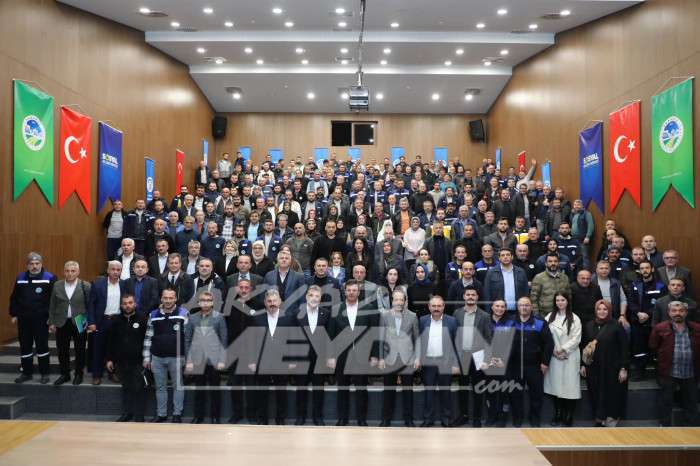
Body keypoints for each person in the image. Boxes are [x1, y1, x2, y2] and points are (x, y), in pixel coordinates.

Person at [328, 280, 380, 426]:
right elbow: (330, 335)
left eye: (354, 290)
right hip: (341, 357)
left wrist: (375, 355)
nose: (351, 293)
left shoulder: (369, 309)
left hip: (362, 356)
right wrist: (331, 356)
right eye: (349, 290)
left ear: (358, 292)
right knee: (342, 389)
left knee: (361, 389)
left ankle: (361, 420)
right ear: (344, 292)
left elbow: (375, 334)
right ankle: (342, 419)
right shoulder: (336, 309)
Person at [649, 301, 700, 426]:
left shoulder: (697, 328)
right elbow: (653, 346)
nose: (678, 313)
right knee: (665, 401)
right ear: (669, 312)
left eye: (681, 311)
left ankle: (691, 429)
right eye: (674, 311)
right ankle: (664, 427)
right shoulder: (660, 328)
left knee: (691, 402)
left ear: (686, 313)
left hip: (691, 372)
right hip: (669, 371)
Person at [248, 289, 295, 425]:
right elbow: (251, 341)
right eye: (269, 301)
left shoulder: (289, 317)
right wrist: (251, 361)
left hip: (282, 362)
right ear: (265, 302)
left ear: (280, 301)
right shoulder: (257, 318)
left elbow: (293, 339)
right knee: (262, 392)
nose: (272, 303)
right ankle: (262, 419)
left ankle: (280, 420)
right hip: (262, 361)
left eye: (274, 300)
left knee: (282, 393)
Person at [580, 300, 629, 427]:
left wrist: (623, 368)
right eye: (599, 309)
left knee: (611, 393)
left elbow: (624, 348)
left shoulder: (616, 326)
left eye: (605, 309)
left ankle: (611, 419)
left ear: (609, 311)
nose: (602, 312)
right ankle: (599, 419)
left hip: (612, 368)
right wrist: (583, 364)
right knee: (595, 392)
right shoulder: (589, 325)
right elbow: (584, 346)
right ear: (595, 310)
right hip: (593, 367)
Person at [143, 288, 189, 423]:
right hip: (157, 358)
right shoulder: (153, 314)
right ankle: (161, 414)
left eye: (171, 298)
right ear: (161, 299)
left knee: (178, 387)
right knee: (160, 387)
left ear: (175, 299)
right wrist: (146, 357)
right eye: (165, 298)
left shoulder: (183, 313)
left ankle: (177, 414)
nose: (168, 301)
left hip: (177, 358)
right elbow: (148, 337)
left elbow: (187, 338)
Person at [9, 252, 56, 384]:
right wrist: (14, 314)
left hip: (41, 320)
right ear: (27, 265)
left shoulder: (49, 277)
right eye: (31, 264)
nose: (34, 266)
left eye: (37, 263)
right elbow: (14, 298)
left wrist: (52, 320)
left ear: (41, 264)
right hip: (24, 319)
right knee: (25, 346)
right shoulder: (20, 277)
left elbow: (54, 301)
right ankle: (26, 373)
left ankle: (44, 373)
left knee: (42, 346)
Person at [508, 297, 554, 427]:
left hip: (534, 365)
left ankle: (535, 420)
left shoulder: (540, 322)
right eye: (521, 305)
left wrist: (545, 363)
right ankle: (517, 419)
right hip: (515, 365)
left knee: (536, 395)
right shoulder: (510, 322)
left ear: (531, 307)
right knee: (515, 394)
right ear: (517, 307)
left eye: (527, 305)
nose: (524, 307)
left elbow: (549, 344)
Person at [185, 291, 228, 424]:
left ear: (212, 303)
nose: (205, 302)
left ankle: (215, 417)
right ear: (199, 303)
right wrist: (189, 360)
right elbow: (187, 340)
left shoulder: (219, 317)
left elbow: (224, 340)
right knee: (199, 391)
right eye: (203, 300)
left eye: (208, 300)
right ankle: (199, 416)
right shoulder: (192, 318)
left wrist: (222, 360)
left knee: (215, 391)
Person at [452, 286, 493, 428]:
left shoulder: (485, 316)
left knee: (478, 389)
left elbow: (488, 339)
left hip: (478, 357)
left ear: (477, 297)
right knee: (463, 388)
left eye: (473, 294)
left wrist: (487, 360)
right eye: (468, 294)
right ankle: (463, 415)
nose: (470, 296)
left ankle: (477, 418)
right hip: (462, 356)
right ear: (464, 297)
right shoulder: (457, 313)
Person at [378, 289, 420, 427]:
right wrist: (381, 358)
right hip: (389, 358)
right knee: (388, 391)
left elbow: (417, 339)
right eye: (396, 299)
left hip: (407, 359)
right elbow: (380, 338)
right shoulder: (384, 315)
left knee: (408, 391)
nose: (399, 302)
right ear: (392, 300)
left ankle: (409, 420)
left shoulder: (413, 316)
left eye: (401, 299)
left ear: (405, 301)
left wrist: (417, 358)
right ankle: (386, 419)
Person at [418, 295, 459, 427]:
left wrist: (456, 364)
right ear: (429, 307)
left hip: (445, 362)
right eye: (434, 306)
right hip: (428, 363)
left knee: (445, 392)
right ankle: (428, 419)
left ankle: (446, 419)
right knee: (428, 393)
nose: (436, 308)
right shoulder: (422, 320)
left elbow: (457, 344)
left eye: (439, 306)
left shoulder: (452, 321)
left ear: (443, 307)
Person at [105, 294, 148, 422]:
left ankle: (139, 416)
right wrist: (109, 359)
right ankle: (127, 413)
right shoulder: (115, 320)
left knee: (139, 388)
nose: (127, 305)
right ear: (121, 305)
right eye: (125, 303)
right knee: (126, 388)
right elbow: (110, 341)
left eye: (130, 303)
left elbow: (148, 340)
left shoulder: (143, 319)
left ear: (135, 304)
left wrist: (147, 359)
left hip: (139, 361)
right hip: (121, 361)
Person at [294, 285, 332, 426]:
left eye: (317, 296)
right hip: (301, 358)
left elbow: (329, 337)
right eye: (311, 295)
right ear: (306, 297)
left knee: (318, 389)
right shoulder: (296, 313)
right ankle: (300, 417)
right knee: (301, 389)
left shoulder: (326, 313)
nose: (314, 298)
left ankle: (318, 417)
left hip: (319, 359)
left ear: (320, 298)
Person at [48, 261, 90, 386]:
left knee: (80, 349)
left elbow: (90, 305)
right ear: (64, 272)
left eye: (73, 271)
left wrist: (89, 322)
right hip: (62, 321)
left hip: (80, 320)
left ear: (78, 272)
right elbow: (52, 304)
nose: (70, 273)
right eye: (67, 271)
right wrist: (51, 322)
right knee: (62, 350)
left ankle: (78, 374)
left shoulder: (85, 285)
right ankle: (65, 374)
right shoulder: (57, 285)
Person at [543, 293, 582, 427]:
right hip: (554, 356)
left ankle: (569, 415)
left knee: (570, 387)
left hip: (570, 356)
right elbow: (546, 336)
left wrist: (563, 349)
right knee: (556, 386)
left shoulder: (575, 318)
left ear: (567, 301)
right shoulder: (549, 317)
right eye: (557, 300)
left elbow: (576, 338)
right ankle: (558, 414)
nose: (560, 302)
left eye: (562, 300)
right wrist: (554, 351)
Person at [87, 261, 126, 385]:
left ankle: (112, 373)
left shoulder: (124, 284)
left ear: (121, 271)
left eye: (118, 270)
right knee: (98, 348)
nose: (115, 272)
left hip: (118, 320)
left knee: (115, 349)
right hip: (101, 320)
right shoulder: (97, 284)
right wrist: (91, 322)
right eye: (113, 269)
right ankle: (96, 375)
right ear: (108, 270)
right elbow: (91, 304)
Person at [628, 260, 666, 380]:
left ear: (652, 269)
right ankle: (640, 372)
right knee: (639, 348)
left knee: (656, 347)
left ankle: (659, 373)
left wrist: (647, 314)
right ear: (639, 271)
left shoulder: (660, 285)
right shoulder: (634, 284)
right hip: (637, 321)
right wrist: (638, 313)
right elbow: (631, 302)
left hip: (654, 322)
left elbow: (660, 303)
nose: (645, 270)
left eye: (647, 268)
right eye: (642, 268)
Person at [483, 300, 515, 427]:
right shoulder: (485, 321)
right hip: (489, 363)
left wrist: (504, 360)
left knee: (504, 393)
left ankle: (502, 418)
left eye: (502, 306)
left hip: (504, 364)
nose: (499, 308)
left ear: (505, 308)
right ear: (492, 307)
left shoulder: (510, 322)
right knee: (490, 392)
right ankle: (491, 416)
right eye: (497, 306)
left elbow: (513, 343)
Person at [263, 250, 306, 314]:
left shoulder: (299, 277)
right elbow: (264, 295)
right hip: (272, 312)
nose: (284, 260)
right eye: (281, 258)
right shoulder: (269, 275)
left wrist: (300, 313)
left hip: (292, 313)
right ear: (278, 260)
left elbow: (302, 298)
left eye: (286, 258)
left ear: (290, 261)